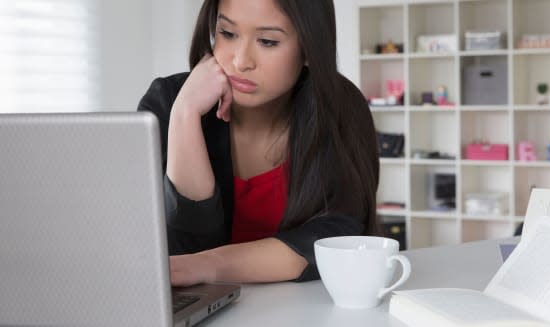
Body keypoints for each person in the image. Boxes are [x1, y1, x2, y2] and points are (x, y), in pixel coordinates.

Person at [137, 0, 379, 286]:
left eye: (267, 41)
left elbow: (337, 235)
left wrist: (208, 265)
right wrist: (185, 117)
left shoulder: (339, 109)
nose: (241, 61)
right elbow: (180, 249)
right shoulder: (169, 101)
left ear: (309, 48)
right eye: (227, 33)